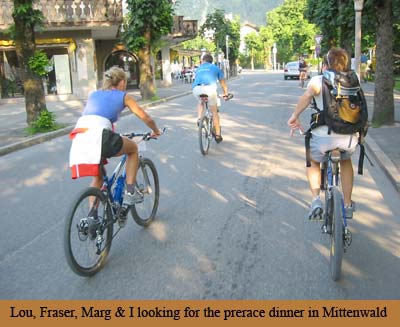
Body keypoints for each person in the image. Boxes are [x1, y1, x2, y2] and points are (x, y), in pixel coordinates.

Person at [69, 66, 161, 217]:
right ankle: (130, 191)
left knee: (98, 178)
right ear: (122, 82)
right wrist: (156, 130)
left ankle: (92, 217)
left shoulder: (94, 94)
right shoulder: (123, 96)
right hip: (101, 136)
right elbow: (145, 117)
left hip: (80, 136)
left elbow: (96, 117)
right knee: (133, 149)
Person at [287, 48, 357, 220]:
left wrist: (294, 116)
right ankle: (347, 204)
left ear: (326, 64)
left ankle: (316, 199)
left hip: (323, 137)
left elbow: (305, 97)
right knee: (346, 160)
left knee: (313, 161)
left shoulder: (318, 80)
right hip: (348, 139)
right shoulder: (355, 80)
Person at [192, 53, 229, 143]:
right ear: (211, 61)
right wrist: (225, 93)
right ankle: (217, 135)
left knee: (201, 101)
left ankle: (200, 119)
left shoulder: (199, 68)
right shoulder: (215, 68)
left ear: (203, 60)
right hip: (210, 89)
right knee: (214, 112)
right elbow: (222, 83)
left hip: (196, 89)